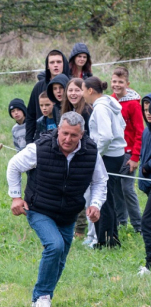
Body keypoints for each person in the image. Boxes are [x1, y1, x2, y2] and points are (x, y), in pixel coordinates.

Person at [7, 112, 107, 307]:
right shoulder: (39, 148)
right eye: (65, 133)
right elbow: (14, 166)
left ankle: (43, 298)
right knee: (55, 245)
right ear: (58, 130)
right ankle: (42, 296)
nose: (67, 139)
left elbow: (100, 181)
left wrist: (96, 204)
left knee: (60, 257)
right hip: (39, 208)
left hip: (68, 212)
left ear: (82, 134)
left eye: (73, 135)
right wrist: (16, 196)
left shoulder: (90, 153)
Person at [83, 76, 126, 248]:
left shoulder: (100, 108)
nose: (82, 94)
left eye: (83, 90)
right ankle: (111, 237)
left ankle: (105, 241)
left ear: (90, 90)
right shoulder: (109, 102)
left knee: (102, 198)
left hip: (108, 156)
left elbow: (106, 135)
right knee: (108, 198)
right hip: (117, 154)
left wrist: (96, 154)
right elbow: (121, 126)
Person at [111, 66, 143, 233]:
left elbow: (140, 131)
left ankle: (138, 225)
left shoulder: (133, 105)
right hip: (114, 152)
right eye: (114, 81)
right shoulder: (110, 100)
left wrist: (135, 156)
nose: (117, 85)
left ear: (127, 83)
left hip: (129, 153)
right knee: (115, 187)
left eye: (120, 82)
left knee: (127, 188)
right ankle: (121, 222)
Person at [62, 78, 94, 241]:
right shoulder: (69, 111)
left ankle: (83, 230)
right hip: (72, 156)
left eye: (77, 90)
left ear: (84, 92)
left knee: (84, 193)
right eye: (70, 90)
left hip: (83, 157)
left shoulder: (87, 111)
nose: (73, 94)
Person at [25, 50, 71, 144]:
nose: (55, 65)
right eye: (52, 62)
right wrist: (29, 141)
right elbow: (30, 115)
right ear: (47, 65)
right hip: (42, 138)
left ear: (64, 64)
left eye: (59, 62)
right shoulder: (39, 86)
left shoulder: (71, 85)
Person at [137, 95, 151, 275]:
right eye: (146, 110)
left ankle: (149, 264)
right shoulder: (147, 131)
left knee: (147, 223)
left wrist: (148, 166)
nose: (148, 113)